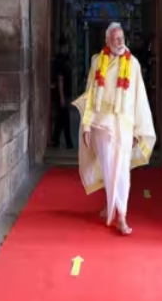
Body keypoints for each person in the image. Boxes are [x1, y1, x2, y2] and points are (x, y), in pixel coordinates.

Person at [72, 22, 156, 236]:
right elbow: (90, 94)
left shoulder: (134, 64)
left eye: (122, 38)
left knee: (122, 171)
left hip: (125, 125)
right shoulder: (96, 62)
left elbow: (139, 98)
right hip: (103, 126)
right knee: (109, 168)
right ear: (107, 41)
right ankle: (112, 205)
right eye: (116, 39)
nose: (120, 42)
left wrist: (138, 130)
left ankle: (122, 216)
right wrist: (87, 125)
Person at [50, 42, 73, 149]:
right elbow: (60, 80)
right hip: (63, 95)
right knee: (65, 119)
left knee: (60, 119)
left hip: (63, 95)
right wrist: (62, 98)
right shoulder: (61, 63)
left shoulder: (62, 61)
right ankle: (68, 142)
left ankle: (56, 140)